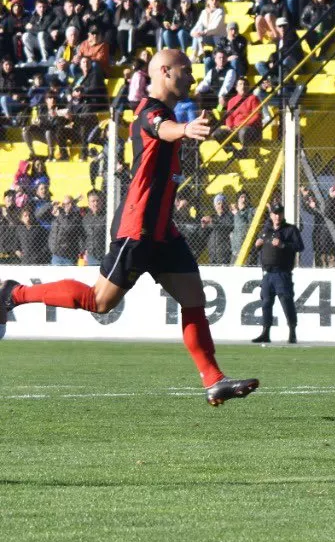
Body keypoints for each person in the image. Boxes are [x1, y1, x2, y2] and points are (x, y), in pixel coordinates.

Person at [0, 50, 258, 405]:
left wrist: (187, 129)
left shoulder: (163, 112)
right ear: (165, 72)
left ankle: (214, 380)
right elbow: (161, 129)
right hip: (137, 227)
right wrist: (184, 129)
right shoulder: (149, 111)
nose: (192, 77)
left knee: (193, 299)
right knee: (99, 301)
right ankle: (14, 294)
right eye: (186, 71)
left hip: (163, 230)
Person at [251, 202, 303, 344]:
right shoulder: (266, 230)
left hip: (282, 273)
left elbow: (299, 246)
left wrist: (283, 245)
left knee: (286, 302)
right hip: (267, 274)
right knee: (266, 303)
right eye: (274, 213)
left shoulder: (290, 230)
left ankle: (292, 332)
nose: (277, 216)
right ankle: (265, 332)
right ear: (271, 214)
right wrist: (257, 245)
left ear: (283, 214)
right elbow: (260, 248)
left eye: (279, 213)